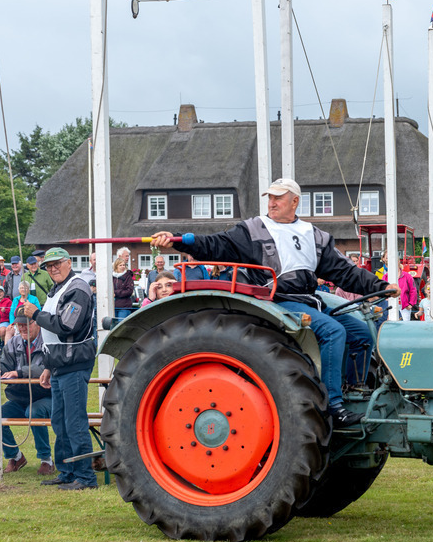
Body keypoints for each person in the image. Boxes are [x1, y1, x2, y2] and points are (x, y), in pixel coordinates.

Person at [151, 178, 394, 427]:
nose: (272, 202)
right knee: (333, 331)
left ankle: (355, 391)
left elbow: (345, 272)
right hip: (276, 300)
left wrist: (382, 287)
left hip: (309, 299)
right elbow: (215, 244)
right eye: (270, 197)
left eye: (278, 197)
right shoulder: (253, 229)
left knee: (362, 332)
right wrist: (178, 240)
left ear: (295, 201)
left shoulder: (314, 235)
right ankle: (333, 405)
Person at [21, 247, 98, 490]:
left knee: (74, 422)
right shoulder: (59, 289)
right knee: (60, 421)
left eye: (56, 264)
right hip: (59, 364)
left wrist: (36, 314)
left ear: (68, 263)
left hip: (74, 363)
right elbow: (53, 335)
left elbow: (67, 325)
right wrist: (47, 366)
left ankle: (86, 477)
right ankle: (66, 472)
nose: (52, 269)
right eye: (48, 266)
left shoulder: (78, 288)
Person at [0, 309, 55, 475]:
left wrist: (19, 373)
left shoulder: (49, 341)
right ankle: (15, 456)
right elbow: (4, 364)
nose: (22, 328)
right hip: (19, 397)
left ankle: (46, 460)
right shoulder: (12, 343)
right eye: (19, 325)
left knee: (34, 411)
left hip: (47, 396)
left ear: (36, 323)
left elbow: (46, 368)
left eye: (26, 324)